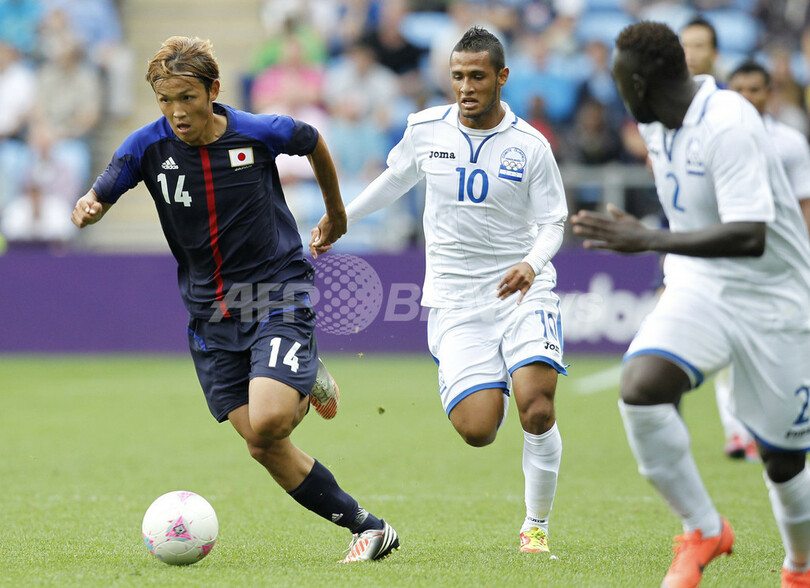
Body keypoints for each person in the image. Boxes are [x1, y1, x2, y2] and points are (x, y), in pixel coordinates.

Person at [70, 36, 399, 563]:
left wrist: (337, 214)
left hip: (276, 291)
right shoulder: (146, 147)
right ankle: (371, 528)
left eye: (187, 97)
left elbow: (313, 140)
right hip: (209, 312)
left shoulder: (257, 132)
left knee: (269, 420)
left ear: (213, 91)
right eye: (165, 100)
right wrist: (89, 206)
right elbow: (103, 189)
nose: (177, 112)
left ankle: (299, 372)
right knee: (261, 443)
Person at [311, 26, 568, 555]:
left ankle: (535, 526)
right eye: (458, 76)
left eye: (477, 76)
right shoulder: (426, 128)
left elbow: (554, 223)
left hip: (523, 289)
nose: (466, 87)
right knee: (478, 430)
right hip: (456, 301)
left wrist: (531, 263)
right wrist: (343, 216)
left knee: (537, 408)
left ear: (502, 77)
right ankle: (489, 378)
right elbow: (394, 178)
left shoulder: (531, 146)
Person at [571, 21, 810, 588]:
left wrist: (648, 239)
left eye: (621, 83)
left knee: (783, 460)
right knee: (641, 388)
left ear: (642, 82)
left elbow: (750, 234)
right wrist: (657, 239)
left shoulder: (728, 123)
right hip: (700, 284)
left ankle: (800, 568)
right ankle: (703, 528)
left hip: (774, 298)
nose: (618, 94)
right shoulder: (654, 122)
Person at [711, 59, 810, 462]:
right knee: (730, 343)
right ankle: (738, 432)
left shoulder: (790, 143)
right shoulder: (715, 137)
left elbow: (803, 204)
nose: (747, 97)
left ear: (770, 94)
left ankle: (784, 424)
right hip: (732, 255)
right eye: (740, 89)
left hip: (782, 260)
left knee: (784, 343)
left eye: (755, 89)